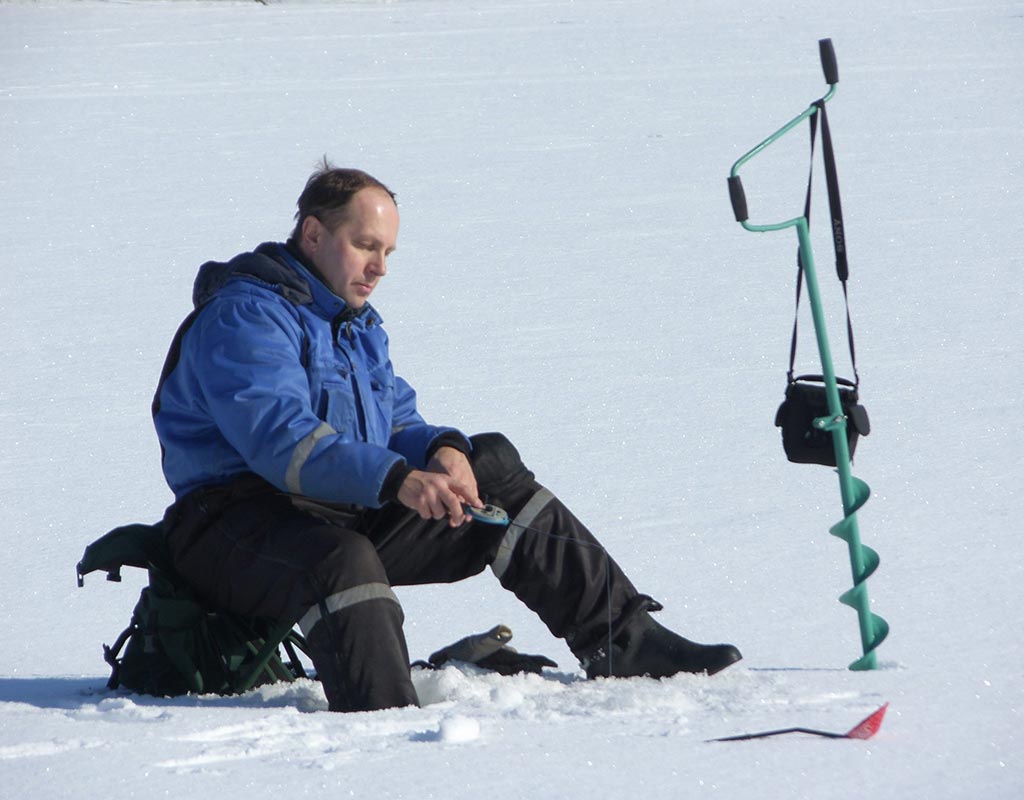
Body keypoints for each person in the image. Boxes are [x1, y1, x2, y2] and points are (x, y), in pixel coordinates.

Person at [153, 162, 741, 713]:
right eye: (365, 245)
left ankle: (626, 642)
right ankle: (387, 721)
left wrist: (444, 451)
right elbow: (284, 444)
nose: (379, 266)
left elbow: (397, 423)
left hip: (332, 509)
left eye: (387, 252)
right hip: (229, 527)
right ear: (312, 234)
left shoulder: (354, 325)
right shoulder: (247, 317)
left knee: (493, 468)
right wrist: (398, 479)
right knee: (342, 559)